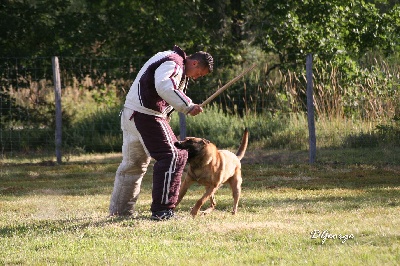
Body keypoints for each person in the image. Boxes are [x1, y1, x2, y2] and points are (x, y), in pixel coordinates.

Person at [109, 45, 214, 220]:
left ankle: (120, 211)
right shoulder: (174, 63)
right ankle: (163, 211)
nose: (196, 78)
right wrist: (188, 106)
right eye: (199, 74)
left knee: (133, 166)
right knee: (174, 156)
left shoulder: (168, 57)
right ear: (194, 62)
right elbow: (164, 86)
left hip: (132, 114)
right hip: (147, 115)